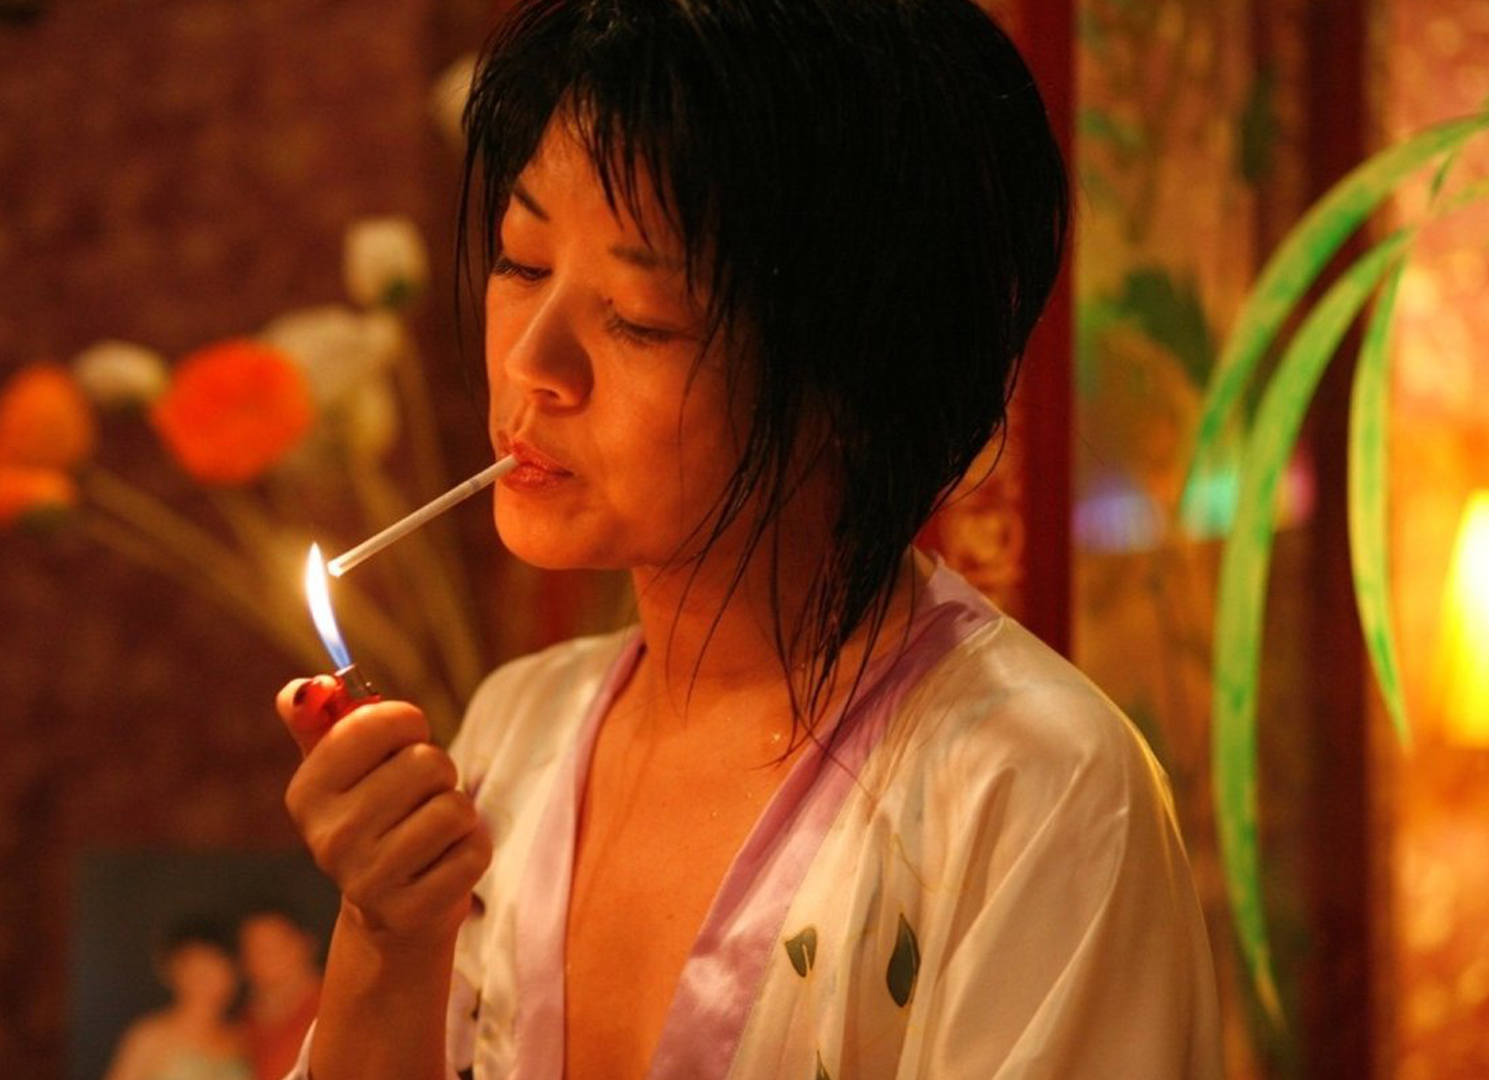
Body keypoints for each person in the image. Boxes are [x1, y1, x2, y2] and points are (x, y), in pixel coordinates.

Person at [273, 1, 1223, 1077]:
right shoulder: (516, 734)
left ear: (853, 373)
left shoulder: (1030, 791)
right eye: (522, 262)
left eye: (637, 316)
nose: (533, 362)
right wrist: (390, 939)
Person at [102, 917, 254, 1080]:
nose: (208, 980)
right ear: (172, 971)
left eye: (218, 967)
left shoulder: (240, 1038)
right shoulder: (150, 1038)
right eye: (197, 969)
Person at [237, 909, 323, 1079]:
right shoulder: (240, 1023)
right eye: (255, 949)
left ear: (306, 945)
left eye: (278, 946)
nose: (267, 957)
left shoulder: (332, 1009)